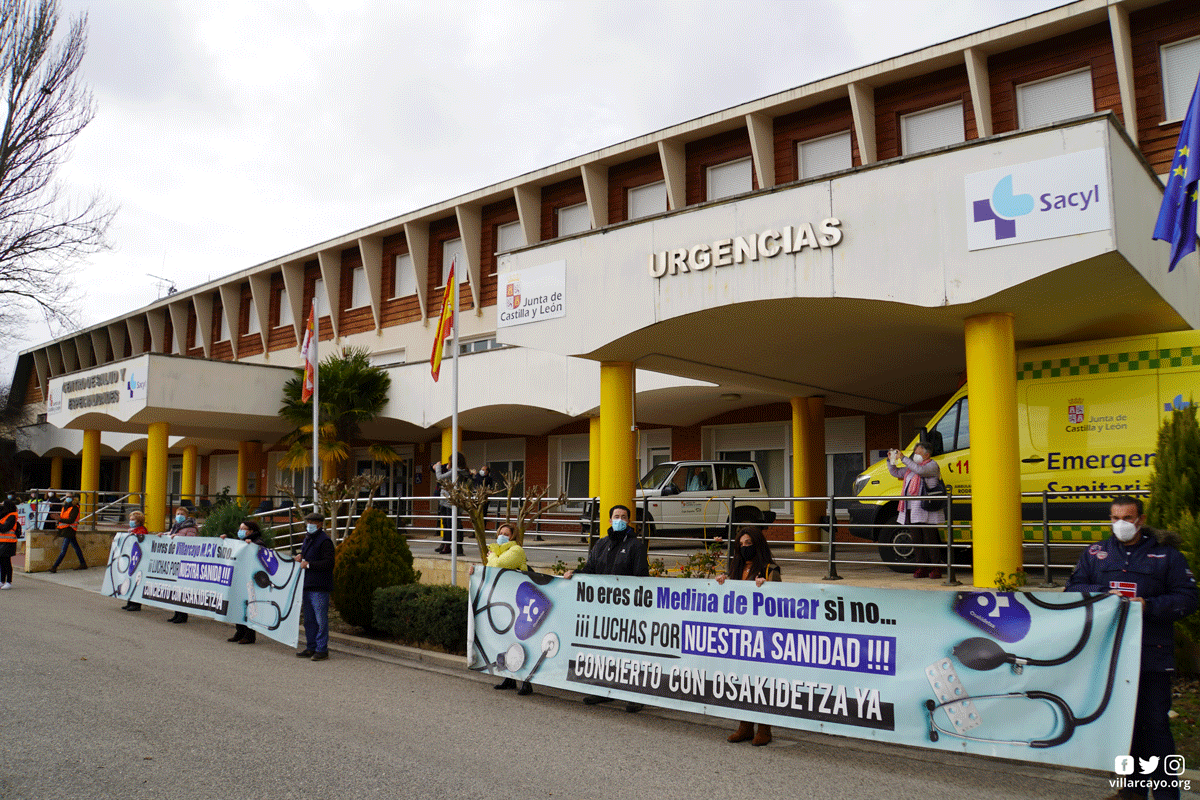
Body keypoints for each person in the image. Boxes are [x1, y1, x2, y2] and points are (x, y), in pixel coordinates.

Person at [1067, 496, 1197, 800]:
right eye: (1114, 518)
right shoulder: (1095, 553)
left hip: (1151, 653)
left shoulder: (1167, 556)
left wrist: (1148, 606)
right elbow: (1072, 588)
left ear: (1140, 519)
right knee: (1123, 725)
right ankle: (1132, 791)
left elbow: (1188, 598)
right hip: (1110, 655)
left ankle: (1167, 794)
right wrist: (1104, 593)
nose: (1120, 524)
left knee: (1155, 724)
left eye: (1126, 518)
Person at [565, 504, 648, 712]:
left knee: (629, 653)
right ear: (609, 520)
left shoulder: (635, 546)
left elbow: (642, 577)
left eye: (623, 516)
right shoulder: (601, 544)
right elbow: (590, 570)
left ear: (629, 521)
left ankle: (634, 695)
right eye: (616, 516)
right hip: (603, 609)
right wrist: (575, 573)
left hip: (628, 610)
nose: (619, 519)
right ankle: (603, 690)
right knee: (603, 650)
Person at [715, 525, 781, 745]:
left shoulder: (770, 569)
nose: (744, 548)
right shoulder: (735, 569)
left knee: (761, 682)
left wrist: (767, 587)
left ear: (758, 545)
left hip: (761, 636)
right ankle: (744, 726)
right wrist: (722, 584)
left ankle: (765, 728)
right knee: (741, 681)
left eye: (748, 544)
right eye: (741, 545)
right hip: (738, 635)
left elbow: (780, 603)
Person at [470, 522, 535, 695]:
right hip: (505, 600)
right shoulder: (496, 553)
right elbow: (490, 570)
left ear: (513, 537)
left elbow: (497, 566)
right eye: (500, 532)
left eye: (507, 533)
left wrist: (491, 558)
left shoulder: (516, 551)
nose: (502, 536)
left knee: (523, 641)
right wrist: (475, 570)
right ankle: (509, 677)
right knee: (507, 639)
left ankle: (526, 681)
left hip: (519, 600)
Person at [886, 441, 945, 580]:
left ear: (927, 454)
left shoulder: (932, 465)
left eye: (918, 453)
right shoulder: (911, 468)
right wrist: (890, 460)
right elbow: (895, 472)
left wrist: (904, 458)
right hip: (911, 509)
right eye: (915, 452)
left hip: (927, 509)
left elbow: (921, 471)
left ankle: (936, 568)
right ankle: (921, 568)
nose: (915, 455)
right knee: (917, 540)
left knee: (930, 540)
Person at [296, 511, 335, 661]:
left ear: (320, 524)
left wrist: (309, 565)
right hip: (308, 585)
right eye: (308, 522)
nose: (309, 525)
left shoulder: (324, 541)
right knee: (309, 620)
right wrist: (301, 557)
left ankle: (321, 649)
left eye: (312, 523)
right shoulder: (308, 539)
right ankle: (311, 646)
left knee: (320, 620)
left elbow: (329, 562)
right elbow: (307, 556)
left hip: (320, 586)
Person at [222, 519, 265, 644]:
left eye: (243, 529)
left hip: (250, 579)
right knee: (238, 606)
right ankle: (239, 631)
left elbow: (260, 556)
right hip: (239, 578)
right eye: (240, 529)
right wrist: (225, 540)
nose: (240, 531)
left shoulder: (258, 542)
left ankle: (249, 635)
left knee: (248, 607)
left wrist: (251, 546)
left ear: (251, 531)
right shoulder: (240, 542)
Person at [165, 506, 199, 623]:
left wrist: (177, 538)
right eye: (177, 513)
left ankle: (183, 615)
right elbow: (170, 536)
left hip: (185, 561)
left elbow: (190, 542)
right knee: (175, 588)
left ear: (187, 516)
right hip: (175, 560)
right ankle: (176, 613)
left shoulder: (191, 528)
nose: (179, 515)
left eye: (182, 514)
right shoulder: (175, 527)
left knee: (183, 588)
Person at [49, 493, 87, 573]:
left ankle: (54, 566)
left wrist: (59, 519)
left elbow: (71, 520)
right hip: (65, 529)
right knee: (76, 547)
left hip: (70, 530)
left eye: (69, 497)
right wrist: (58, 518)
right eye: (66, 496)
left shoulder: (75, 508)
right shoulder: (65, 507)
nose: (67, 498)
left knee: (63, 550)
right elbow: (63, 518)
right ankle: (83, 563)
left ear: (73, 498)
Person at [121, 511, 149, 611]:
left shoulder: (141, 530)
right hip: (132, 558)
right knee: (130, 579)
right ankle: (130, 601)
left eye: (133, 520)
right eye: (130, 519)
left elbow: (141, 542)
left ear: (139, 521)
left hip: (139, 559)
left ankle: (136, 603)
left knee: (137, 581)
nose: (131, 521)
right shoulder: (132, 530)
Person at [0, 500, 22, 589]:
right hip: (3, 541)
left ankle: (9, 582)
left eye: (3, 505)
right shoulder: (4, 515)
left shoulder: (12, 516)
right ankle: (2, 581)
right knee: (2, 562)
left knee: (6, 562)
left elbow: (4, 528)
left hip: (9, 542)